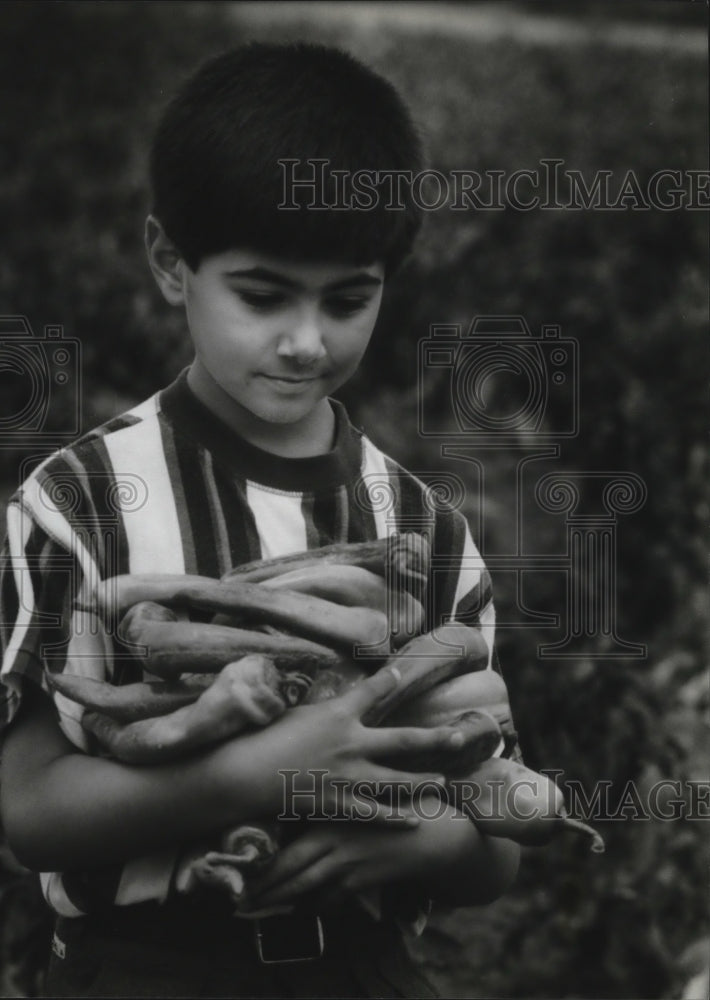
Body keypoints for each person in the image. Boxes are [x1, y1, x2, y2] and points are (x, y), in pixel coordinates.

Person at [0, 42, 520, 998]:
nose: (305, 340)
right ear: (171, 263)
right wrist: (273, 771)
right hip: (144, 973)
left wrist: (427, 835)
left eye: (348, 300)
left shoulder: (427, 529)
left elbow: (495, 849)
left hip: (362, 974)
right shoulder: (81, 499)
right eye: (262, 294)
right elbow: (28, 808)